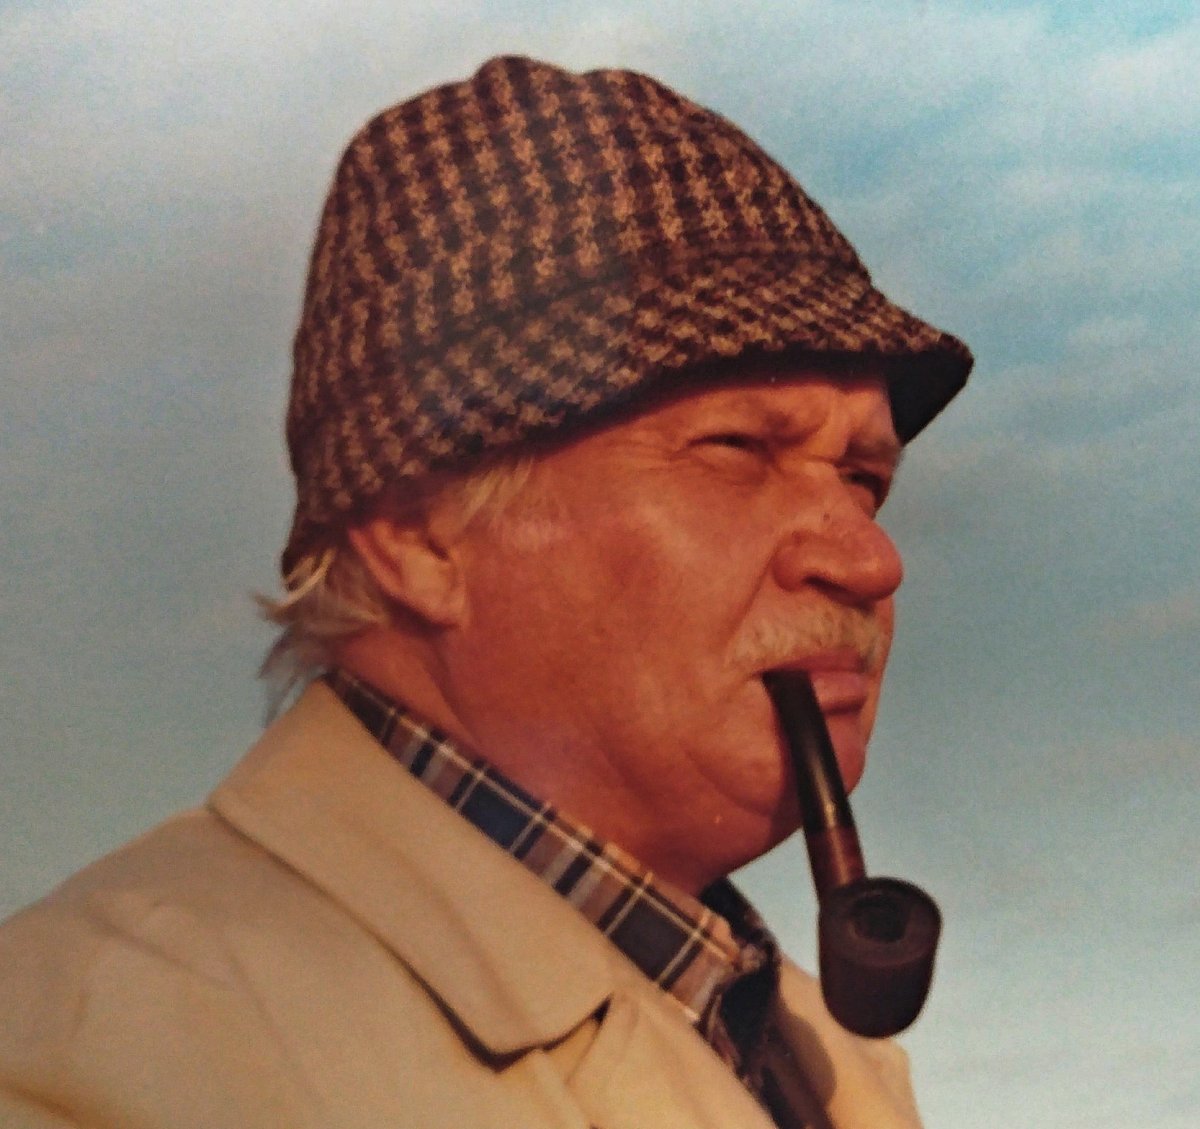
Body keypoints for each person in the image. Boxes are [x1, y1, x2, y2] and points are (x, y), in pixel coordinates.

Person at [0, 56, 972, 1128]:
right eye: (736, 449)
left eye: (863, 477)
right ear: (416, 529)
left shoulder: (823, 1054)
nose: (871, 561)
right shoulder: (95, 1059)